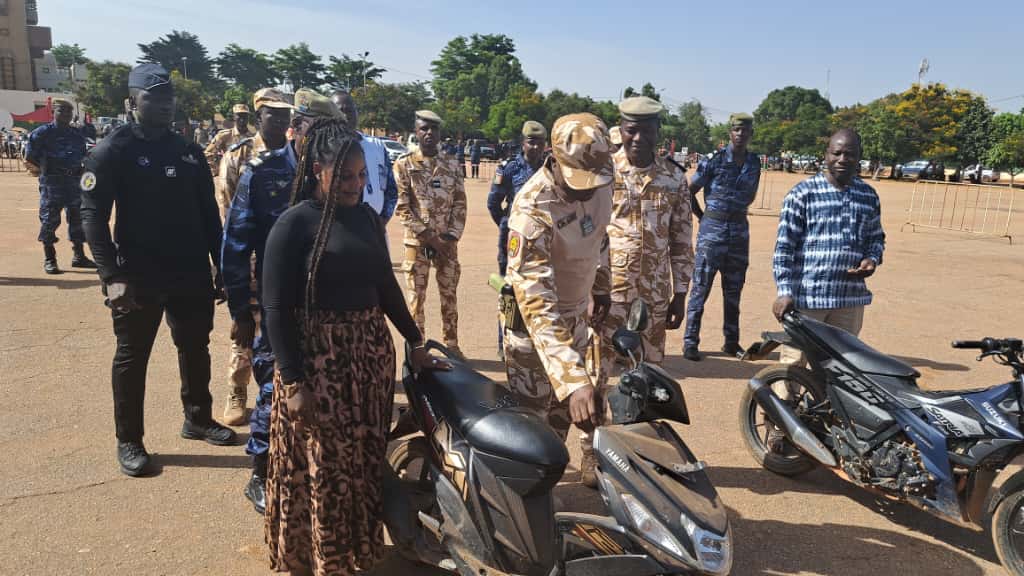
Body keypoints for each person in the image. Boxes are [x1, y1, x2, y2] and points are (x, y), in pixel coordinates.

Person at [261, 116, 445, 576]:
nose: (355, 185)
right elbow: (275, 308)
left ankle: (357, 551)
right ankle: (320, 558)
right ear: (316, 171)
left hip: (367, 363)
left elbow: (386, 286)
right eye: (344, 176)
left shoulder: (365, 218)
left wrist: (414, 340)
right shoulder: (293, 225)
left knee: (362, 461)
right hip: (317, 366)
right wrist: (294, 382)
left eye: (362, 175)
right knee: (324, 465)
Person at [80, 64, 237, 477]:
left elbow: (209, 215)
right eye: (154, 98)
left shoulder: (187, 151)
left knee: (195, 346)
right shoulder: (112, 150)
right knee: (132, 357)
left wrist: (220, 265)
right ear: (132, 102)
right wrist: (111, 276)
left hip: (189, 271)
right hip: (137, 274)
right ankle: (129, 439)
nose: (165, 106)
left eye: (169, 99)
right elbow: (92, 216)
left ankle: (198, 418)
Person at [223, 88, 340, 515]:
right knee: (274, 386)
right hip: (273, 303)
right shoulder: (262, 172)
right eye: (313, 127)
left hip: (323, 305)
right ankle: (260, 470)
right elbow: (236, 243)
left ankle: (307, 467)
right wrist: (240, 310)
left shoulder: (332, 172)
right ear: (298, 126)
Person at [504, 112, 613, 482]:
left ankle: (547, 481)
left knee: (562, 418)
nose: (588, 191)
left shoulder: (600, 178)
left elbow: (601, 235)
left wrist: (601, 285)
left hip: (576, 318)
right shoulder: (532, 210)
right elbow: (537, 305)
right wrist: (573, 377)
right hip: (534, 333)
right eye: (579, 182)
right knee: (532, 428)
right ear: (554, 159)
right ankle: (528, 497)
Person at [773, 128, 885, 363]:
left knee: (842, 368)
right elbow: (784, 248)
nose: (843, 159)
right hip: (807, 300)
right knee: (794, 367)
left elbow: (876, 238)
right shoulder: (803, 194)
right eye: (837, 153)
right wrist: (784, 292)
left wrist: (871, 259)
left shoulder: (868, 196)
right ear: (826, 155)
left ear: (859, 157)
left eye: (850, 154)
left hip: (848, 302)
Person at [218, 87, 295, 427]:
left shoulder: (297, 155)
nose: (279, 120)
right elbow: (229, 215)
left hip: (282, 264)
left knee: (277, 332)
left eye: (284, 114)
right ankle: (237, 389)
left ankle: (275, 393)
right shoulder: (240, 155)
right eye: (272, 114)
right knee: (244, 329)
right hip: (248, 259)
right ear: (258, 115)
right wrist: (230, 269)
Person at [682, 112, 761, 361]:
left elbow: (751, 194)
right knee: (701, 289)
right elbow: (688, 191)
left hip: (739, 231)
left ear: (750, 134)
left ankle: (731, 342)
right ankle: (690, 342)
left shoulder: (754, 162)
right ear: (730, 133)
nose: (741, 134)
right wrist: (701, 216)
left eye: (745, 130)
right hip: (712, 232)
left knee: (734, 291)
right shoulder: (713, 161)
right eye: (737, 130)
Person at [393, 110, 467, 358]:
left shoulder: (452, 164)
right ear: (416, 131)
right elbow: (402, 208)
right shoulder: (404, 164)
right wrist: (430, 237)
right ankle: (417, 348)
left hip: (447, 244)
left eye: (434, 128)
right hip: (418, 243)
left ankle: (452, 345)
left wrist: (450, 237)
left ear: (439, 133)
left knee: (449, 296)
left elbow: (460, 203)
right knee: (416, 299)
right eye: (424, 128)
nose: (429, 133)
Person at [487, 120, 547, 359]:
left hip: (543, 244)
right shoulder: (509, 169)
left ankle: (536, 343)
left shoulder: (550, 168)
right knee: (509, 292)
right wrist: (508, 225)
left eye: (540, 143)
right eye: (531, 142)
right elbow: (493, 203)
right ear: (523, 143)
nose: (536, 147)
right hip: (513, 243)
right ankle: (505, 343)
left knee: (540, 292)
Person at [24, 98, 95, 274]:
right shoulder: (42, 133)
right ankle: (50, 259)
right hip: (52, 184)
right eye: (61, 110)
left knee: (77, 219)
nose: (66, 114)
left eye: (69, 111)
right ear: (53, 112)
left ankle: (79, 256)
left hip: (74, 183)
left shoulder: (76, 134)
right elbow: (29, 156)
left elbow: (84, 155)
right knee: (49, 220)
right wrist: (45, 170)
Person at [331, 90, 399, 222]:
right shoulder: (326, 148)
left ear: (357, 113)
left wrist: (383, 220)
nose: (346, 116)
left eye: (350, 110)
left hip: (375, 226)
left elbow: (391, 189)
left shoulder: (376, 145)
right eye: (340, 111)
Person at [205, 104, 254, 218]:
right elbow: (208, 153)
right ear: (234, 117)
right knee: (227, 213)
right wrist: (218, 169)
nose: (242, 119)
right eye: (239, 115)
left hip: (245, 181)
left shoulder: (252, 138)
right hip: (227, 180)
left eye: (245, 116)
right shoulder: (225, 135)